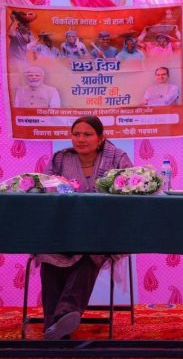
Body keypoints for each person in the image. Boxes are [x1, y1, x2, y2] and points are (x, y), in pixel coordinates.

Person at [40, 116, 132, 340]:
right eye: (76, 134)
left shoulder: (117, 158)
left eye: (87, 134)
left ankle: (65, 314)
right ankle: (55, 325)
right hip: (65, 229)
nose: (81, 139)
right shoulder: (61, 158)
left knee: (89, 252)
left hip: (103, 231)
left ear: (100, 138)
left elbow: (131, 194)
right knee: (48, 253)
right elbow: (45, 192)